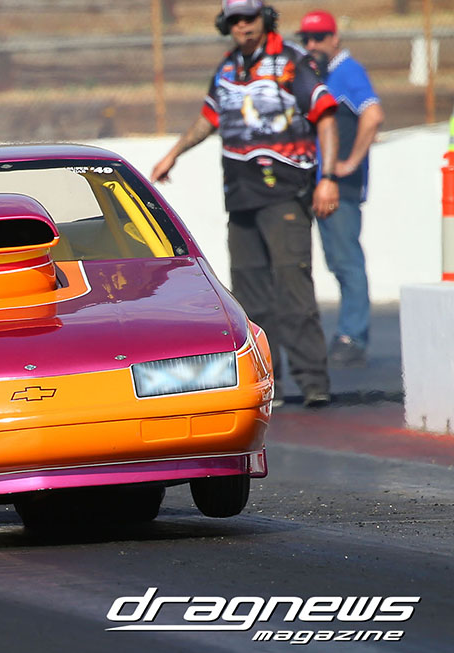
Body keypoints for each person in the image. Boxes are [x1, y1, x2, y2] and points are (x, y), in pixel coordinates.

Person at [150, 0, 339, 408]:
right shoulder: (227, 67)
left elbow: (325, 115)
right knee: (250, 296)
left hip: (286, 191)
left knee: (293, 287)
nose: (243, 26)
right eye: (234, 20)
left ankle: (313, 382)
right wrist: (173, 154)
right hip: (240, 196)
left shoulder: (292, 62)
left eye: (249, 18)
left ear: (264, 18)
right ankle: (269, 384)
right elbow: (209, 118)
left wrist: (329, 178)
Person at [298, 10, 384, 367]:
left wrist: (348, 163)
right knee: (335, 260)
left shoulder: (348, 71)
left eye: (319, 37)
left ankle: (353, 335)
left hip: (338, 188)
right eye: (306, 38)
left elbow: (373, 115)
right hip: (319, 184)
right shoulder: (320, 74)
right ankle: (346, 332)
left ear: (335, 38)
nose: (312, 44)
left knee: (346, 261)